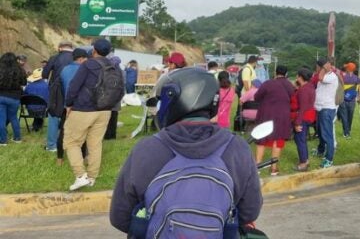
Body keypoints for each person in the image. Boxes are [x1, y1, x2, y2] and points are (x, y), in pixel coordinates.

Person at [109, 67, 262, 236]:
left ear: (173, 99)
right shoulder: (237, 148)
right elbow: (250, 212)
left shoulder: (147, 148)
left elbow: (120, 217)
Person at [63, 39, 114, 191]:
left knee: (72, 142)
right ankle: (92, 178)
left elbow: (74, 86)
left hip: (84, 109)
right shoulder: (114, 66)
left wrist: (69, 104)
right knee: (95, 144)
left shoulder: (88, 64)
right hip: (105, 110)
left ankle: (80, 176)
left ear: (94, 50)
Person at [254, 65, 294, 175]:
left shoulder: (268, 83)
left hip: (266, 114)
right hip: (282, 115)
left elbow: (257, 97)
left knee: (261, 138)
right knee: (278, 139)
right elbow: (292, 99)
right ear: (286, 74)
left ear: (276, 73)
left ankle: (257, 166)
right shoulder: (289, 85)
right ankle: (273, 168)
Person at [57, 48, 89, 165]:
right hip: (81, 106)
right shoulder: (84, 69)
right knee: (83, 132)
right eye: (86, 59)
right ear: (81, 59)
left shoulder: (64, 70)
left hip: (66, 106)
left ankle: (59, 158)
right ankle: (83, 157)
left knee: (63, 132)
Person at [314, 58, 339, 168]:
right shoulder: (326, 75)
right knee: (320, 132)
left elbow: (320, 77)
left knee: (327, 134)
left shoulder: (331, 76)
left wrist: (324, 67)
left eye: (317, 66)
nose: (316, 69)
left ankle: (329, 159)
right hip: (321, 108)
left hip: (327, 109)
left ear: (320, 67)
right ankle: (320, 150)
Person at [0, 52, 27, 145]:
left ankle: (3, 140)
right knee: (13, 117)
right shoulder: (20, 70)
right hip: (14, 98)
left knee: (1, 119)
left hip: (1, 97)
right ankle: (17, 138)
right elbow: (24, 83)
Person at [293, 67, 316, 172]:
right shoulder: (310, 86)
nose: (296, 77)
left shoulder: (304, 90)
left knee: (300, 140)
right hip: (309, 115)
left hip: (303, 116)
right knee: (302, 139)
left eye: (298, 75)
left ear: (300, 77)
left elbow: (303, 107)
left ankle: (303, 163)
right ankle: (305, 160)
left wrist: (297, 122)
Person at [337, 62, 360, 139]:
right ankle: (348, 130)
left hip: (342, 100)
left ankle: (346, 133)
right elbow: (359, 89)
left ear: (347, 69)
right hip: (352, 100)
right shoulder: (358, 79)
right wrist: (359, 98)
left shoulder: (342, 77)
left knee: (344, 116)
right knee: (350, 116)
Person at [103, 56, 125, 140]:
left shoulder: (106, 71)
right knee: (114, 117)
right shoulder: (121, 72)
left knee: (107, 118)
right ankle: (113, 135)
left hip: (107, 98)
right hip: (116, 99)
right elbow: (123, 86)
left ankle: (107, 135)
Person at [24, 68, 49, 133]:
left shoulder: (29, 86)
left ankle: (36, 126)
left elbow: (24, 97)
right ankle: (36, 126)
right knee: (41, 106)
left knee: (36, 105)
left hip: (30, 111)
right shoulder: (47, 86)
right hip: (43, 111)